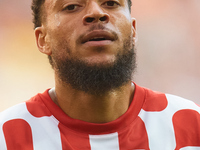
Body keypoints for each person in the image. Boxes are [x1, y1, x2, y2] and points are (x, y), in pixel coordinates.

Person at [0, 0, 200, 149]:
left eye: (111, 3)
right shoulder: (7, 136)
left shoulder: (191, 125)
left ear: (133, 30)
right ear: (43, 40)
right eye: (71, 6)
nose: (97, 13)